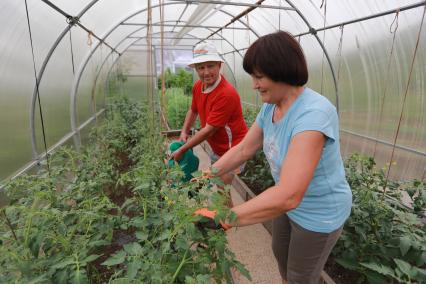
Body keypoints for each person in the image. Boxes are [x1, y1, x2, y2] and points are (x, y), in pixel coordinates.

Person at [194, 31, 352, 284]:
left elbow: (289, 195)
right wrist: (206, 175)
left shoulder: (314, 115)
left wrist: (225, 218)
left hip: (318, 213)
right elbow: (244, 149)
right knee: (281, 255)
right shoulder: (271, 106)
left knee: (301, 276)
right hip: (286, 204)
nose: (254, 85)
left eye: (259, 77)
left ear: (282, 71)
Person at [171, 41, 248, 185]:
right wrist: (184, 132)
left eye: (210, 66)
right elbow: (193, 110)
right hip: (217, 146)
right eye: (201, 67)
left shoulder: (226, 94)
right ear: (196, 69)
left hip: (233, 148)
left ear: (219, 65)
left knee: (222, 189)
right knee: (219, 185)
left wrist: (183, 149)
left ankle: (229, 209)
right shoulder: (198, 86)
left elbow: (208, 131)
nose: (206, 72)